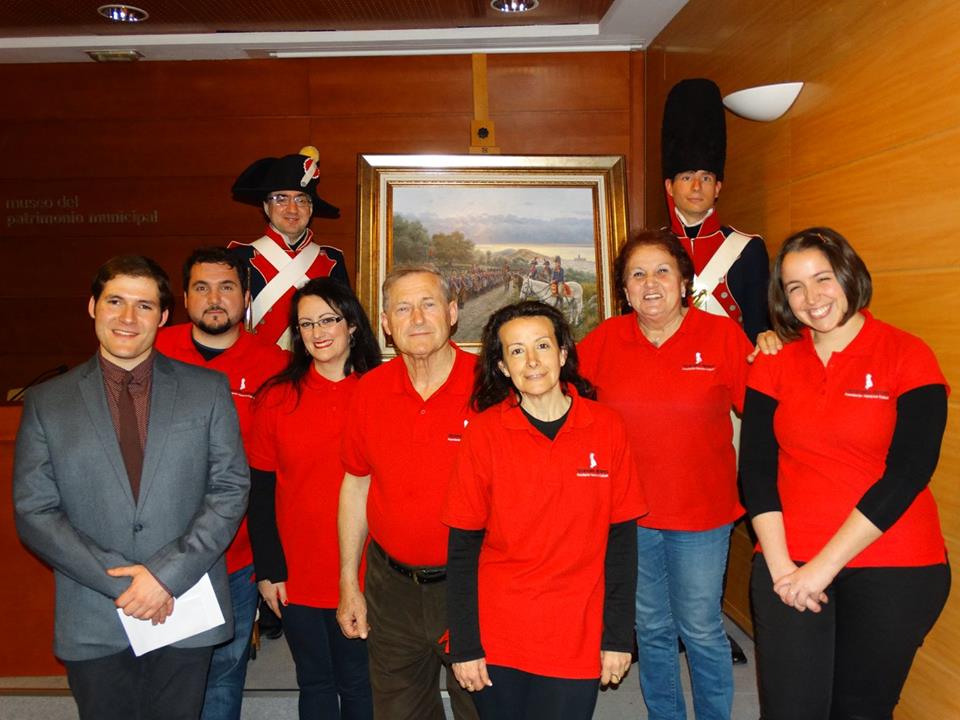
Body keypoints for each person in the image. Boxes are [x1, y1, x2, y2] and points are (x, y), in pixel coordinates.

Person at [13, 255, 249, 720]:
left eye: (143, 306)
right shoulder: (47, 402)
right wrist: (121, 583)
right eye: (115, 301)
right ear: (92, 307)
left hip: (183, 606)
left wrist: (163, 577)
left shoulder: (207, 390)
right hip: (93, 611)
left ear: (162, 317)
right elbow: (35, 512)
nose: (127, 318)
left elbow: (229, 488)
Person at [739, 227, 951, 719]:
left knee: (859, 710)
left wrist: (822, 569)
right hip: (786, 561)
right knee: (791, 709)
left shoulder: (908, 354)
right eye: (794, 287)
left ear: (850, 275)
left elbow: (909, 473)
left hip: (896, 563)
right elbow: (755, 470)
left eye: (823, 278)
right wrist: (783, 569)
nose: (811, 298)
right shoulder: (773, 361)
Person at [578, 229, 753, 720]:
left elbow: (763, 416)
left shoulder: (721, 337)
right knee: (652, 628)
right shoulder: (605, 341)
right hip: (631, 516)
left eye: (662, 271)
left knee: (699, 626)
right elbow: (561, 402)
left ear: (683, 282)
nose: (650, 283)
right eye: (637, 274)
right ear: (624, 290)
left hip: (703, 515)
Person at [443, 301, 647, 720]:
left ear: (564, 354)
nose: (532, 361)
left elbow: (622, 544)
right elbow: (462, 549)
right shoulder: (484, 434)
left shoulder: (608, 428)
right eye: (516, 351)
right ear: (501, 366)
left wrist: (619, 635)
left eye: (542, 346)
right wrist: (465, 643)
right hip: (500, 630)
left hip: (576, 629)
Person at [337, 265, 479, 720]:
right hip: (390, 587)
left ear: (453, 312)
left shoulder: (492, 388)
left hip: (473, 586)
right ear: (385, 323)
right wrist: (348, 582)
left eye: (428, 304)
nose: (416, 318)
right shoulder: (369, 391)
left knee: (481, 708)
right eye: (403, 307)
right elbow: (356, 484)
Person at [154, 246, 288, 720]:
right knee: (160, 675)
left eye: (227, 287)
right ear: (184, 298)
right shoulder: (152, 349)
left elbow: (276, 466)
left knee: (225, 672)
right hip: (158, 554)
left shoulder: (273, 364)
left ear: (245, 298)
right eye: (202, 288)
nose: (215, 298)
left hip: (237, 555)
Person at [247, 278, 380, 719]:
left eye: (328, 319)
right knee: (316, 682)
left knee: (360, 683)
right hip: (297, 572)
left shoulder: (380, 393)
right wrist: (268, 569)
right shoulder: (275, 398)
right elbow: (260, 491)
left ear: (353, 326)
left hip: (366, 570)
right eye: (306, 324)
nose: (318, 332)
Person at [661, 78, 770, 343]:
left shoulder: (748, 249)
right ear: (670, 187)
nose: (697, 187)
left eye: (706, 178)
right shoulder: (652, 248)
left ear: (718, 187)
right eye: (687, 177)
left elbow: (757, 332)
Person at [230, 145, 350, 349]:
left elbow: (345, 324)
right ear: (266, 207)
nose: (292, 209)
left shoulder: (331, 260)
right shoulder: (238, 257)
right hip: (258, 369)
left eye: (301, 200)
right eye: (281, 199)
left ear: (311, 209)